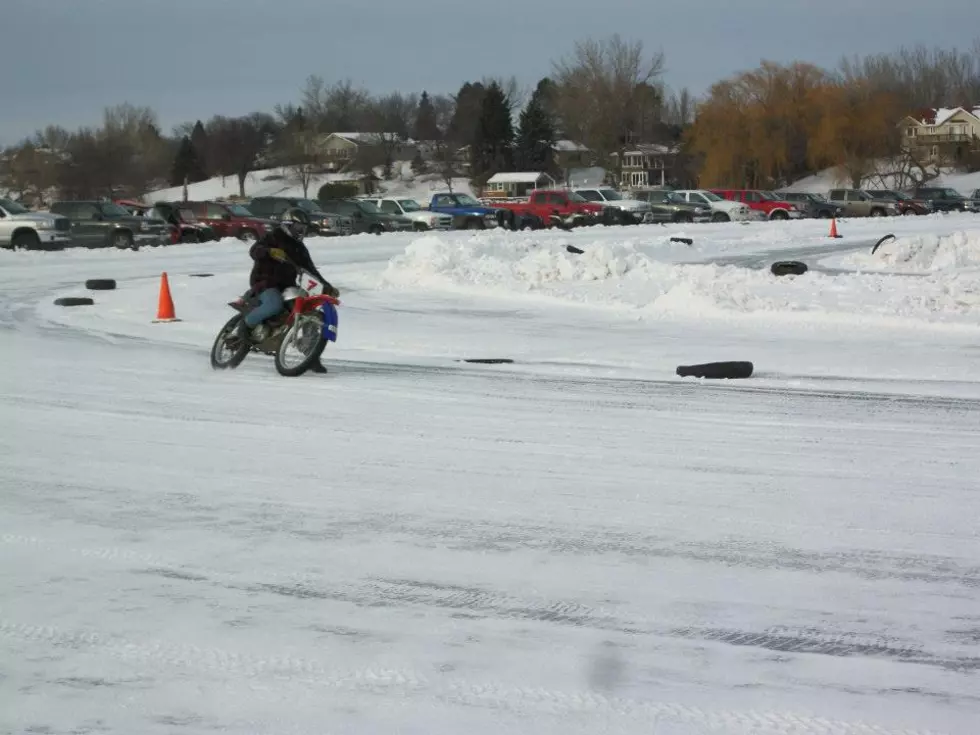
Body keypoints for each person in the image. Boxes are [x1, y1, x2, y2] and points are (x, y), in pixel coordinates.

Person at [236, 209, 339, 371]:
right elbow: (254, 250)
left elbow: (311, 269)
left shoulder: (300, 248)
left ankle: (311, 354)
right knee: (274, 304)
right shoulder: (273, 237)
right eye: (299, 228)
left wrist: (327, 286)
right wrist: (269, 251)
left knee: (307, 311)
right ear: (288, 225)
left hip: (286, 285)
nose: (301, 232)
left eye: (304, 229)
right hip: (265, 281)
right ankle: (245, 326)